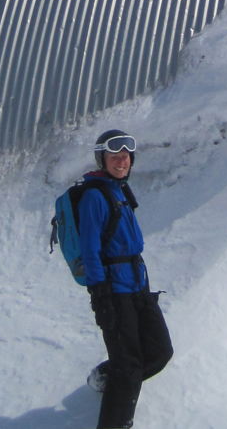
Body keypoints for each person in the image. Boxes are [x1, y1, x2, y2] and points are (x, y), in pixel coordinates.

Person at [80, 129, 173, 429]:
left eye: (125, 157)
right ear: (102, 159)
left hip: (138, 286)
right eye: (114, 157)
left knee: (160, 351)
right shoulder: (94, 195)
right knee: (129, 366)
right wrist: (100, 297)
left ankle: (107, 375)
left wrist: (143, 289)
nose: (121, 162)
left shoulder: (119, 191)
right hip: (114, 292)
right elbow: (90, 249)